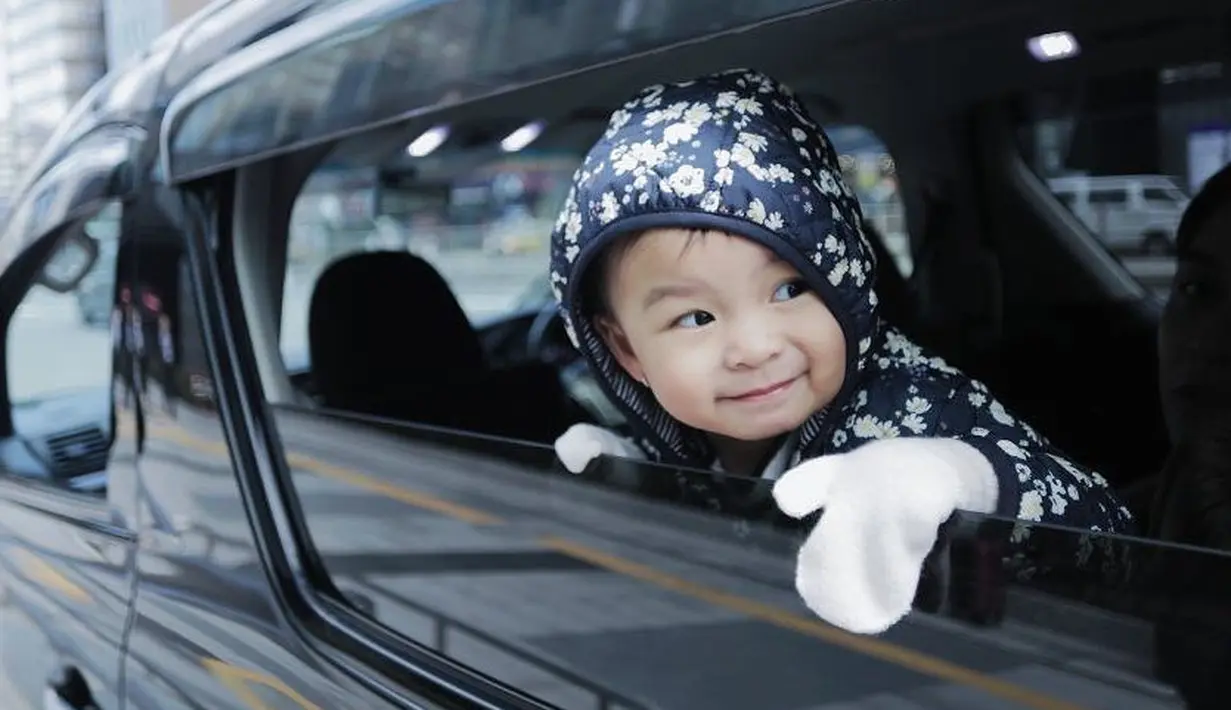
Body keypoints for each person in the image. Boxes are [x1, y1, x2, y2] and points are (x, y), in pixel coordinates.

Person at [547, 68, 1133, 634]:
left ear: (843, 281)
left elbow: (1106, 539)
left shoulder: (917, 404)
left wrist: (963, 480)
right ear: (624, 350)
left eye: (790, 289)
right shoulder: (677, 429)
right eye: (695, 317)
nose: (754, 348)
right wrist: (636, 475)